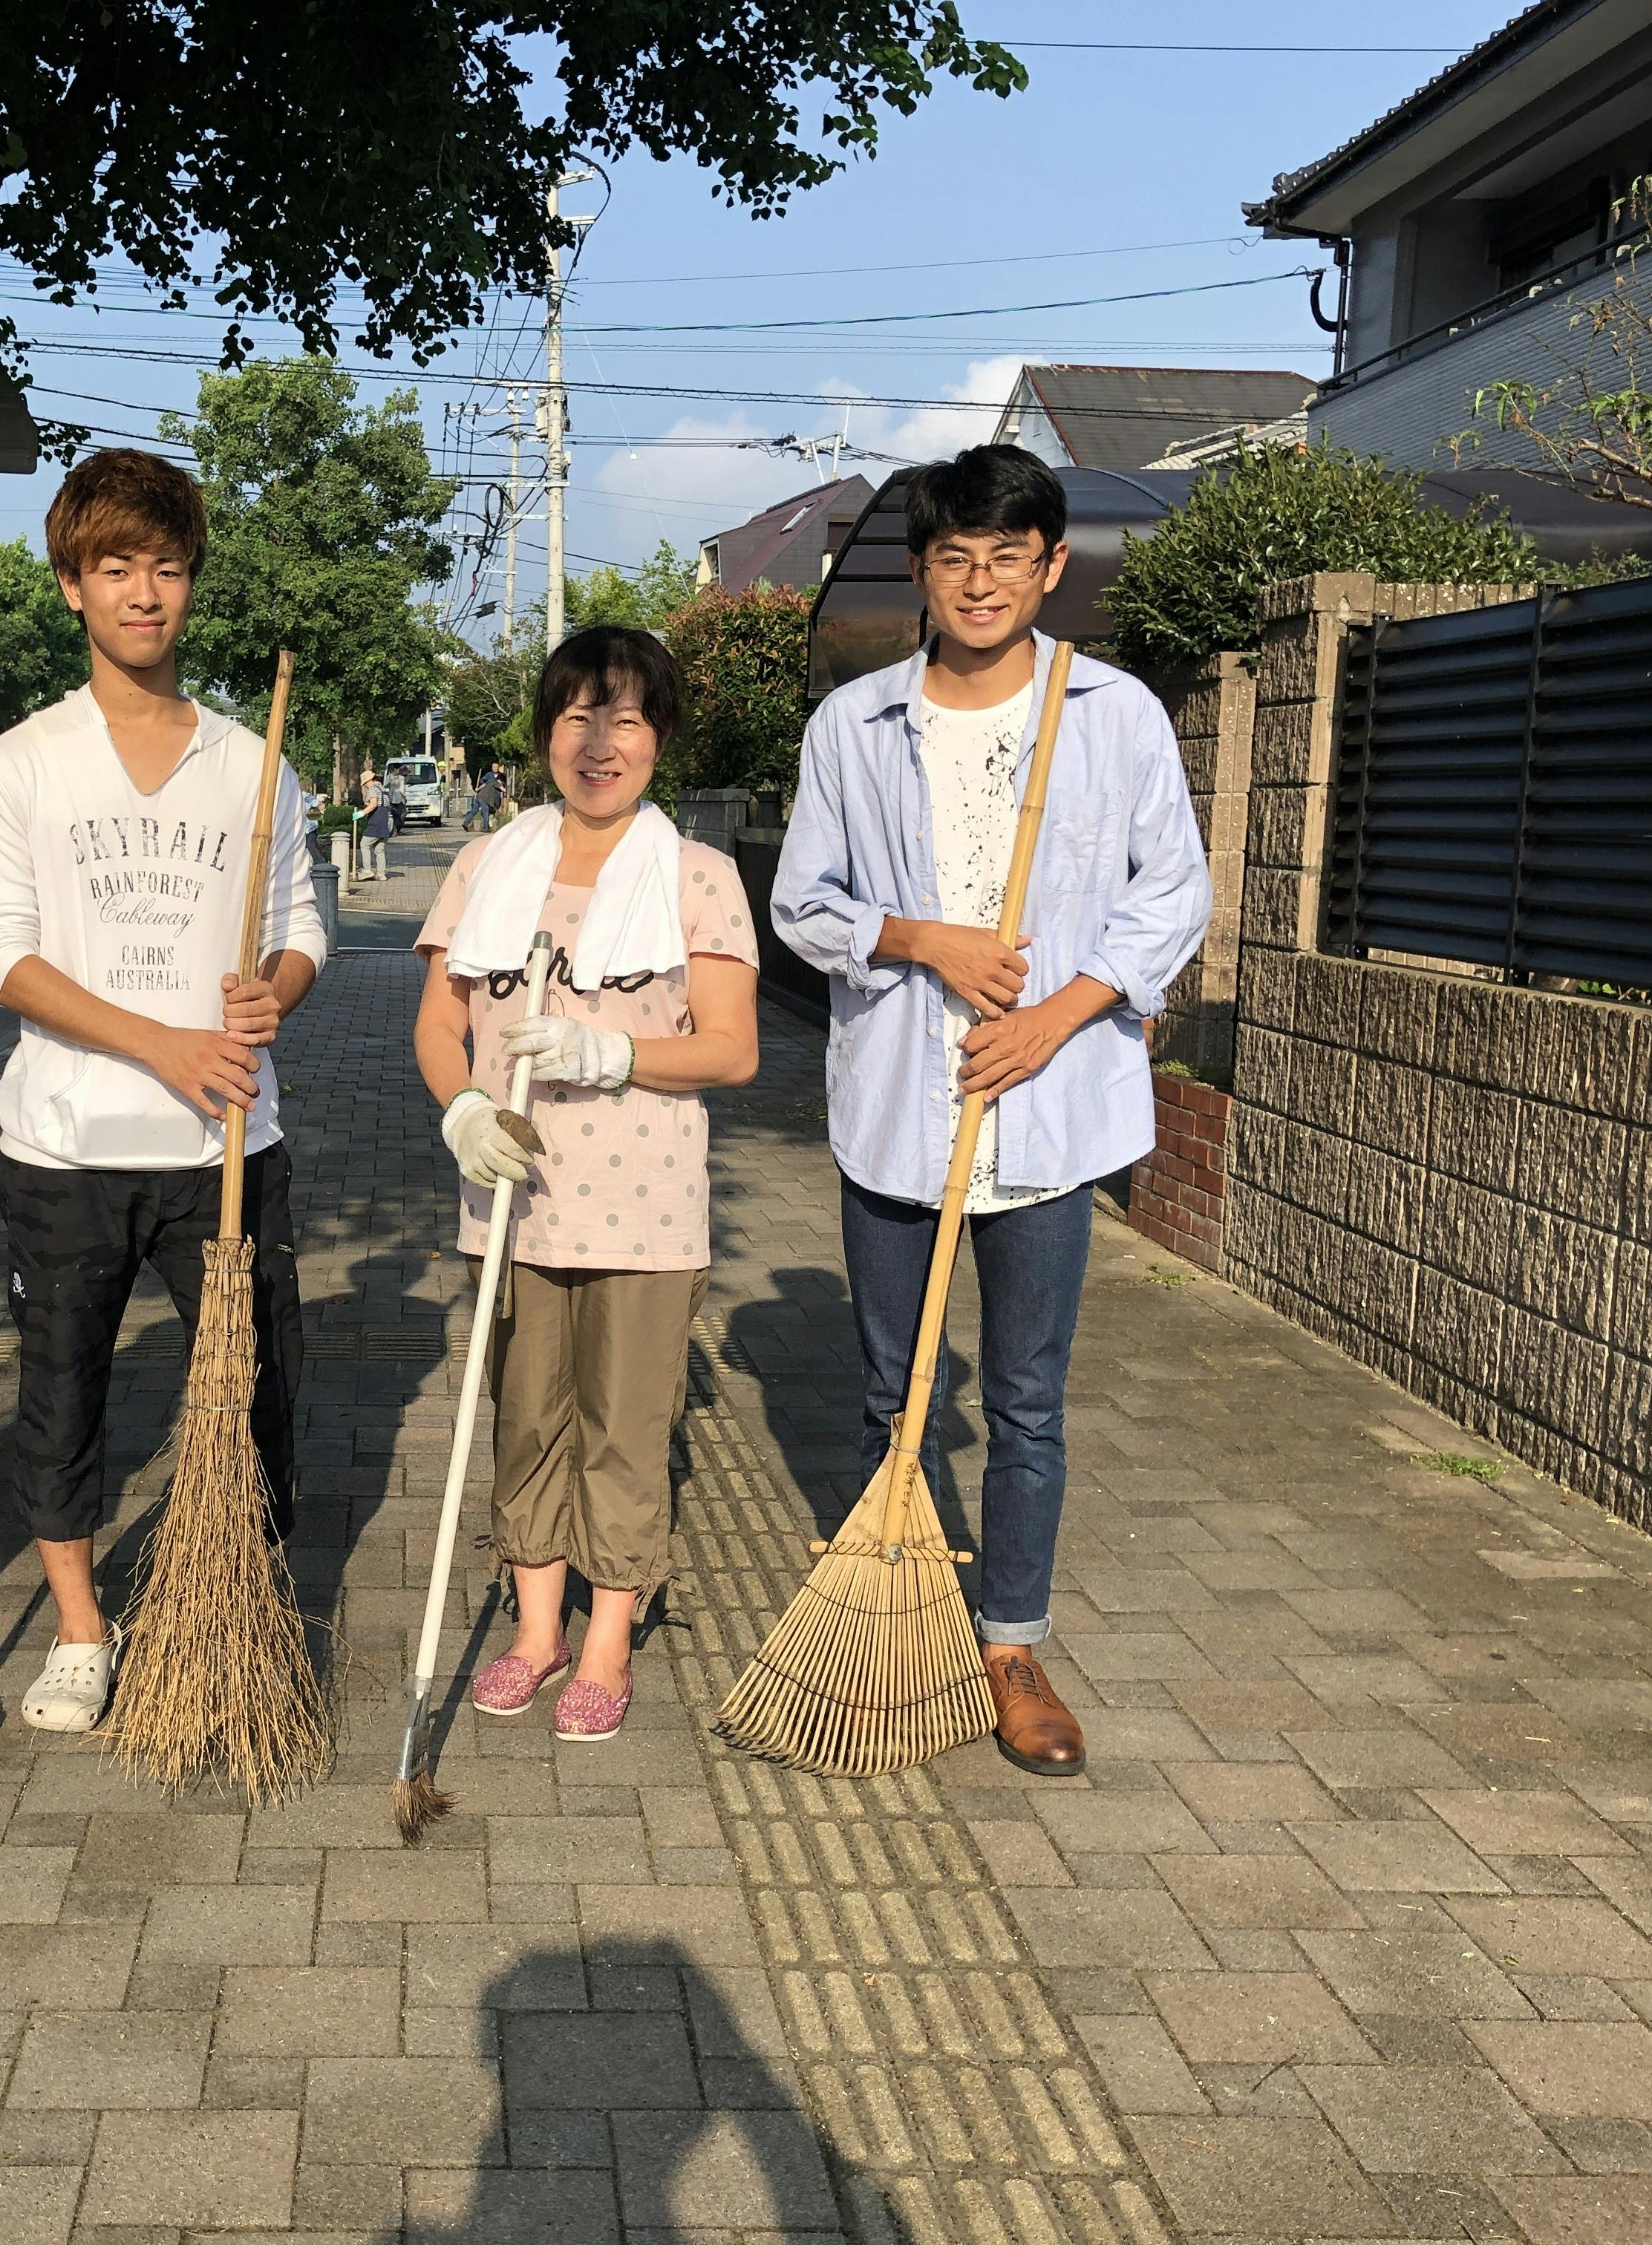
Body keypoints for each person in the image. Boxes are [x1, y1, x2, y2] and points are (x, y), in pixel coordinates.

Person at [768, 445, 1208, 1777]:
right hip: (898, 1110)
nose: (979, 582)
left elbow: (1171, 894)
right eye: (955, 557)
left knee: (1022, 1400)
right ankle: (889, 1624)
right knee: (887, 1393)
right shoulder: (855, 726)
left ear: (1050, 567)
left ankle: (1011, 1645)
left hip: (1051, 1111)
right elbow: (801, 903)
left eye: (1007, 557)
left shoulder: (1114, 714)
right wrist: (922, 939)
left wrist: (1053, 1015)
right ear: (922, 569)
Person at [0, 449, 328, 1735]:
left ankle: (235, 1597)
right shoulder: (20, 765)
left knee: (258, 1384)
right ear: (72, 584)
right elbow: (2, 956)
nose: (143, 593)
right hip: (66, 1148)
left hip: (228, 1142)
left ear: (190, 584)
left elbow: (303, 926)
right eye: (115, 567)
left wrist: (273, 991)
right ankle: (79, 1629)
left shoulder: (252, 763)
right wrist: (160, 1043)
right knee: (63, 1389)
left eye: (166, 567)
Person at [413, 626, 760, 1741]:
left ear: (660, 738)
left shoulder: (697, 876)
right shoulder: (486, 865)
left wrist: (614, 1052)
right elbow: (438, 1024)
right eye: (578, 717)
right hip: (513, 1208)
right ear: (545, 734)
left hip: (645, 1213)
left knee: (623, 1427)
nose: (601, 743)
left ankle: (607, 1639)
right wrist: (462, 1109)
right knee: (525, 1421)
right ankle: (536, 1633)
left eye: (628, 718)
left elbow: (733, 1051)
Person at [359, 773, 394, 880]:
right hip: (387, 821)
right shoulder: (384, 790)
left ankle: (367, 871)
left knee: (364, 844)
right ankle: (381, 874)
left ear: (370, 780)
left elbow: (373, 804)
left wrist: (362, 813)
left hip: (377, 822)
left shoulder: (373, 789)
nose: (365, 786)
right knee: (379, 849)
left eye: (365, 783)